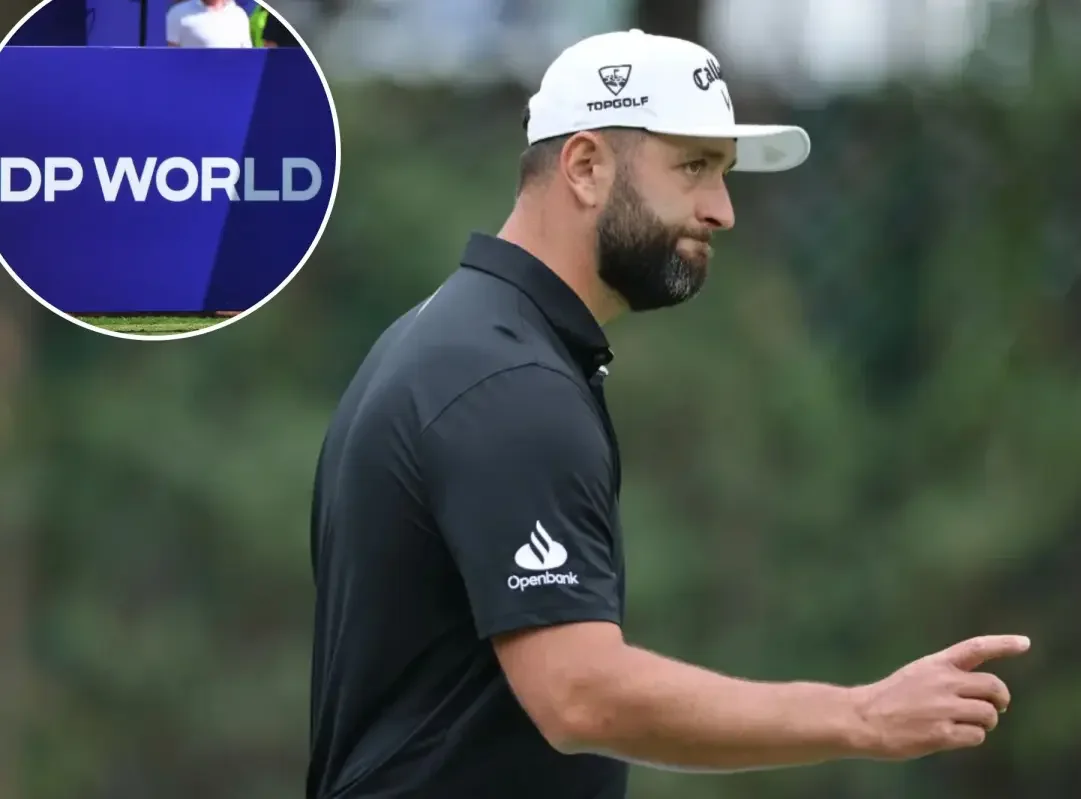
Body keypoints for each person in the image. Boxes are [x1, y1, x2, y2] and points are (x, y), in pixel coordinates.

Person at [305, 28, 1032, 799]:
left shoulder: (462, 341)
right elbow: (579, 693)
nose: (722, 210)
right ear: (585, 166)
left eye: (723, 173)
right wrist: (861, 715)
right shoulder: (506, 380)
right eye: (693, 167)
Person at [165, 0, 251, 49]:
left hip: (231, 75)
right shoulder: (178, 13)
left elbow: (246, 56)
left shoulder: (239, 14)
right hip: (193, 75)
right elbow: (170, 56)